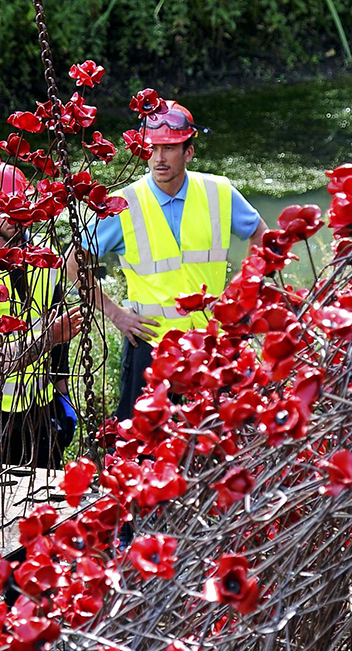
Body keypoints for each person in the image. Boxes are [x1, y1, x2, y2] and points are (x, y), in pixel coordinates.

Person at [66, 100, 268, 420]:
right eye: (153, 148)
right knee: (144, 451)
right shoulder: (123, 205)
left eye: (170, 148)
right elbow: (73, 265)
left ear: (188, 152)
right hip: (150, 347)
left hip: (210, 344)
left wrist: (242, 297)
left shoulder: (219, 191)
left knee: (216, 444)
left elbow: (263, 237)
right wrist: (117, 315)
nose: (159, 158)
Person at [0, 162, 81, 469]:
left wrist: (63, 395)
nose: (11, 215)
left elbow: (59, 337)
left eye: (18, 205)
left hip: (40, 410)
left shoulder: (43, 261)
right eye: (0, 207)